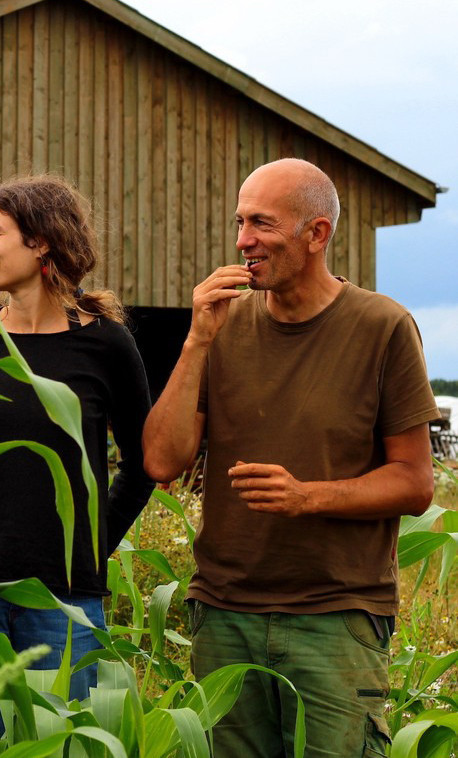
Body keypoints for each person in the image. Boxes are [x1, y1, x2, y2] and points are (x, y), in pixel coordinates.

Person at [142, 158, 437, 757]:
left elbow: (415, 483)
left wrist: (309, 497)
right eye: (239, 221)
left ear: (317, 234)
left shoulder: (383, 327)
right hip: (224, 614)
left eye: (262, 224)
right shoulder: (221, 329)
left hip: (336, 619)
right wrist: (196, 339)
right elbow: (160, 461)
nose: (242, 240)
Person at [0, 174, 153, 701]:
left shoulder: (106, 344)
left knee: (66, 738)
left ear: (41, 240)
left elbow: (144, 466)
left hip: (64, 600)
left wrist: (91, 551)